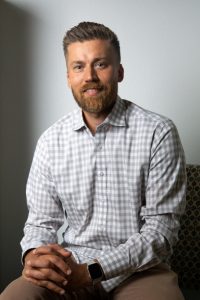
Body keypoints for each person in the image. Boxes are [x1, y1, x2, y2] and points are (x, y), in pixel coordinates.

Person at [1, 21, 186, 300]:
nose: (89, 76)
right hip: (70, 263)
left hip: (140, 270)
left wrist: (92, 271)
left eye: (100, 64)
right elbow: (40, 223)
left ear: (119, 71)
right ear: (68, 77)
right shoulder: (51, 141)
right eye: (78, 67)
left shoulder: (158, 133)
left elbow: (161, 232)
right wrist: (33, 255)